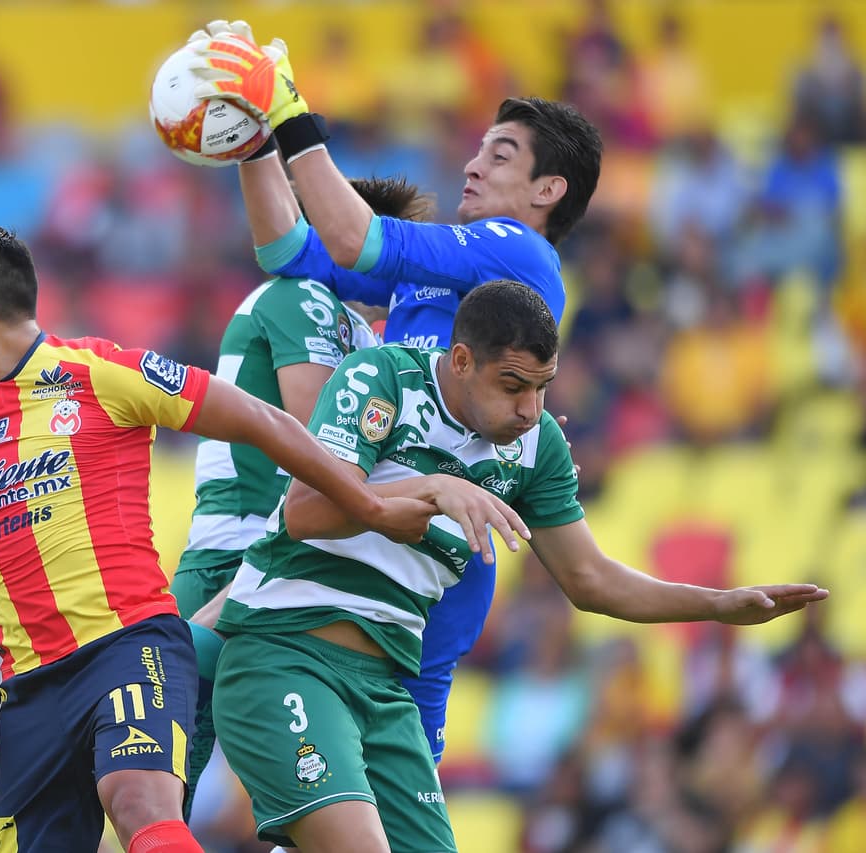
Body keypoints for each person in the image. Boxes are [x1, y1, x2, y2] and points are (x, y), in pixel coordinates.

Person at [208, 280, 828, 853]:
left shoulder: (534, 449)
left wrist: (718, 604)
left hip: (382, 689)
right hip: (283, 653)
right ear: (460, 362)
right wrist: (430, 489)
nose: (531, 409)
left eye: (543, 386)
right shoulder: (382, 378)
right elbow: (306, 512)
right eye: (512, 386)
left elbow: (591, 581)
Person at [0, 226, 442, 853]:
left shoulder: (100, 371)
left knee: (139, 803)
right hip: (29, 684)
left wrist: (368, 505)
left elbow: (262, 419)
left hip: (127, 645)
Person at [187, 19, 605, 768]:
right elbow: (290, 251)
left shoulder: (520, 252)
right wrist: (254, 143)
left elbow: (354, 241)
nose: (471, 167)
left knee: (381, 776)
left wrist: (289, 114)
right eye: (476, 148)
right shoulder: (447, 271)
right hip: (375, 532)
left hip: (430, 558)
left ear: (549, 189)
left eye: (499, 154)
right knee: (334, 780)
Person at [173, 176, 433, 811]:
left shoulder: (364, 333)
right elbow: (322, 443)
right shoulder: (303, 296)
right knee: (162, 767)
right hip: (243, 547)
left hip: (290, 551)